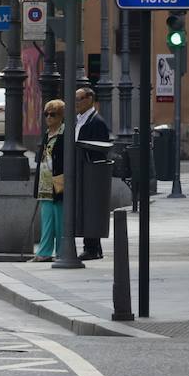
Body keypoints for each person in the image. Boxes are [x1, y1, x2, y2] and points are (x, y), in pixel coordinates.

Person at [74, 87, 111, 260]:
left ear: (89, 99)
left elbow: (100, 148)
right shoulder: (78, 120)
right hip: (80, 170)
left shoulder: (97, 122)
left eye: (79, 99)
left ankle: (92, 248)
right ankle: (93, 247)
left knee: (91, 208)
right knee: (84, 208)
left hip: (90, 171)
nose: (76, 102)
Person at [31, 99, 67, 262]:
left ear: (61, 116)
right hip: (45, 183)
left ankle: (62, 251)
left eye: (53, 114)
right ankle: (44, 252)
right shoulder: (47, 134)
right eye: (46, 114)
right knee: (46, 219)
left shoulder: (65, 133)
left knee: (59, 220)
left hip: (59, 182)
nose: (49, 118)